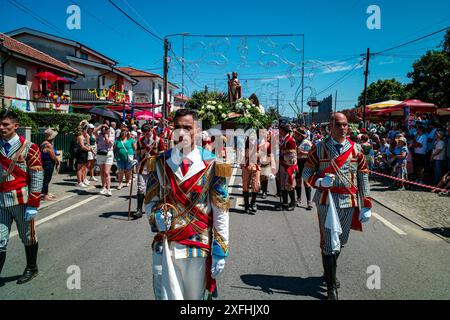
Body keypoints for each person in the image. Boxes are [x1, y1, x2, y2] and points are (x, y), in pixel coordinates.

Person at [145, 109, 230, 300]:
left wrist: (220, 250)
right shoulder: (159, 163)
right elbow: (150, 201)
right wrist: (156, 217)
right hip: (167, 244)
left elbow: (221, 210)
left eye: (187, 127)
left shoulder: (213, 164)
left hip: (198, 246)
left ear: (197, 131)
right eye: (177, 127)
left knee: (195, 299)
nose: (181, 132)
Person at [303, 112, 372, 300]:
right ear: (330, 127)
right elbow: (306, 172)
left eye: (345, 125)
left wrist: (366, 204)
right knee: (328, 242)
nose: (343, 128)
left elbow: (363, 176)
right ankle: (331, 286)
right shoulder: (319, 148)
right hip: (327, 200)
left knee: (341, 241)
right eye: (339, 125)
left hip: (348, 202)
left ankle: (328, 272)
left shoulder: (357, 149)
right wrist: (319, 182)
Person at [0, 109, 44, 285]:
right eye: (0, 124)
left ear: (15, 126)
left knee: (28, 236)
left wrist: (33, 204)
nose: (1, 127)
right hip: (1, 201)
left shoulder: (29, 147)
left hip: (22, 201)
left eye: (5, 124)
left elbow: (37, 176)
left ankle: (32, 267)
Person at [135, 124, 165, 218]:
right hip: (143, 166)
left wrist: (157, 156)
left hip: (155, 166)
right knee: (141, 188)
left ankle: (158, 208)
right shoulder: (140, 140)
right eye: (145, 134)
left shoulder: (158, 140)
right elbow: (138, 153)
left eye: (148, 133)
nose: (147, 135)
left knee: (156, 188)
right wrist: (138, 156)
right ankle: (139, 209)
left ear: (151, 131)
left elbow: (162, 153)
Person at [277, 124, 297, 211]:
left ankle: (293, 202)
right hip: (282, 165)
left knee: (289, 185)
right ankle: (285, 202)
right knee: (282, 185)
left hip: (289, 166)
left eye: (280, 130)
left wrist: (282, 157)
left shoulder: (290, 141)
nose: (279, 132)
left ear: (283, 131)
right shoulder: (283, 140)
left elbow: (292, 156)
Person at [241, 133, 260, 215]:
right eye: (251, 139)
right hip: (246, 167)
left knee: (255, 186)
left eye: (254, 139)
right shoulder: (245, 147)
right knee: (245, 186)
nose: (252, 140)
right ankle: (246, 205)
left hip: (256, 168)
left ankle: (253, 203)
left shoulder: (258, 147)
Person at [294, 128, 313, 210]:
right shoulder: (295, 142)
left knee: (306, 182)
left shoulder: (307, 142)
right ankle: (298, 199)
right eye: (295, 134)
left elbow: (312, 153)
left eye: (297, 134)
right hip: (297, 162)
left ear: (301, 135)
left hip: (305, 162)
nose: (296, 135)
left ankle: (309, 202)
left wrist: (304, 153)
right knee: (298, 181)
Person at [40, 128, 60, 201]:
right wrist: (58, 161)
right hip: (48, 162)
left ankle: (45, 193)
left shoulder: (45, 143)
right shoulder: (48, 145)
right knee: (46, 179)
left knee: (46, 178)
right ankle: (44, 195)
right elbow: (53, 156)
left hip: (47, 162)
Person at [94, 124, 114, 197]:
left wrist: (106, 136)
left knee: (106, 172)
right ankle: (103, 188)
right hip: (100, 154)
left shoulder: (112, 135)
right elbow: (93, 131)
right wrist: (101, 125)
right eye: (104, 129)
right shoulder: (99, 135)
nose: (105, 130)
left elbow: (108, 142)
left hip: (108, 155)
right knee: (102, 172)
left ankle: (108, 189)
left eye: (106, 129)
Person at [75, 123, 92, 188]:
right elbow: (82, 146)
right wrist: (88, 149)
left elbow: (87, 144)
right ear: (83, 131)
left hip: (84, 153)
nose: (86, 131)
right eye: (85, 130)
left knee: (83, 167)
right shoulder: (80, 137)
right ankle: (79, 182)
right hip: (81, 153)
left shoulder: (84, 137)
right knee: (79, 168)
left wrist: (88, 148)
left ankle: (83, 180)